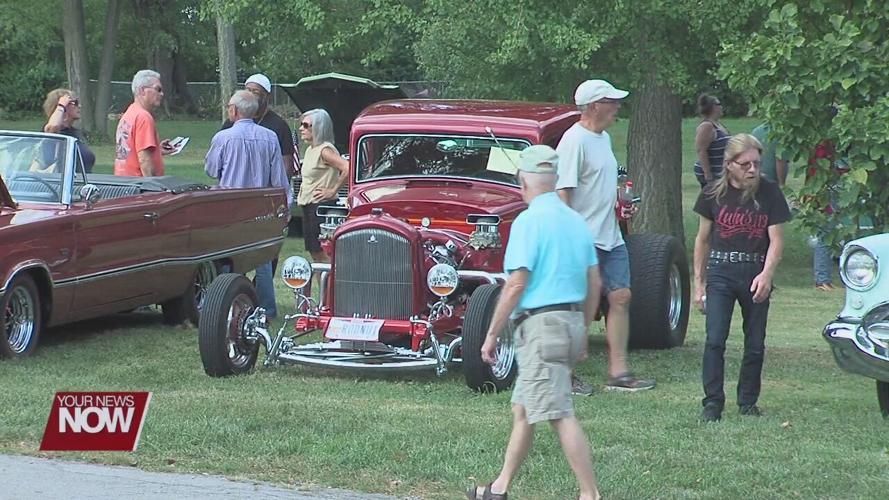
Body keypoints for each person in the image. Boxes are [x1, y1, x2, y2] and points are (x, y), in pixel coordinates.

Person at [468, 145, 602, 500]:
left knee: (559, 412)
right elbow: (595, 282)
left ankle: (590, 494)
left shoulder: (528, 221)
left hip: (541, 327)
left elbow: (515, 285)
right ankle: (499, 488)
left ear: (523, 182)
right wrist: (584, 329)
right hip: (571, 320)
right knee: (523, 409)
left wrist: (492, 334)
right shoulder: (576, 221)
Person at [556, 79, 655, 394]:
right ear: (594, 105)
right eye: (612, 102)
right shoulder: (574, 141)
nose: (617, 108)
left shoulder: (603, 138)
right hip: (584, 239)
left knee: (621, 297)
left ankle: (618, 372)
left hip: (611, 236)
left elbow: (601, 184)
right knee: (580, 305)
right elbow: (563, 192)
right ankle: (566, 374)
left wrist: (620, 204)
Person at [692, 133, 791, 422]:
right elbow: (702, 240)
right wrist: (699, 283)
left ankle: (747, 401)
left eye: (757, 163)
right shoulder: (713, 193)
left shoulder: (770, 192)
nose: (752, 170)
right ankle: (712, 403)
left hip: (755, 271)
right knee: (714, 339)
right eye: (745, 164)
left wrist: (767, 274)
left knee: (755, 342)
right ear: (729, 164)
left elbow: (776, 239)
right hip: (721, 271)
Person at [205, 90, 292, 319]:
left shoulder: (223, 138)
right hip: (260, 208)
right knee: (262, 261)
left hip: (230, 207)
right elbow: (278, 178)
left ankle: (227, 305)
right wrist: (285, 205)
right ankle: (266, 309)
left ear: (234, 110)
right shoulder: (269, 137)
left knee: (227, 259)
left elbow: (211, 169)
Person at [296, 108, 349, 264]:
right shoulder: (310, 150)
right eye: (301, 124)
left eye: (306, 125)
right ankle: (323, 288)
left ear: (318, 127)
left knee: (323, 253)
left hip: (320, 207)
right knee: (314, 253)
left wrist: (333, 190)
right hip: (308, 205)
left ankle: (330, 287)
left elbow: (347, 167)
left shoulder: (325, 150)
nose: (301, 129)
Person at [221, 73, 296, 180]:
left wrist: (279, 189)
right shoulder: (231, 123)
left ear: (267, 96)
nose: (250, 95)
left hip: (264, 187)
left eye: (255, 92)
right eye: (247, 90)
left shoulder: (279, 126)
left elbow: (286, 163)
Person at [114, 69, 175, 177]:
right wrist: (153, 187)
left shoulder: (129, 114)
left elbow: (130, 152)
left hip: (123, 184)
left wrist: (156, 150)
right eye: (158, 89)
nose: (162, 94)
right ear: (142, 90)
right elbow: (144, 160)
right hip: (139, 186)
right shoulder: (144, 117)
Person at [42, 88, 95, 173]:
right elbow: (53, 126)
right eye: (75, 103)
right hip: (60, 184)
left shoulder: (76, 133)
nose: (79, 106)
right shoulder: (54, 132)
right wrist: (61, 106)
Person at [693, 94, 730, 188]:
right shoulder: (707, 126)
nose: (722, 107)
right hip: (711, 173)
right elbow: (701, 150)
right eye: (719, 104)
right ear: (713, 107)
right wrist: (708, 176)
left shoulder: (718, 124)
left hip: (720, 172)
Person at [751, 122, 788, 188]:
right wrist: (782, 184)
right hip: (771, 181)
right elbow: (780, 160)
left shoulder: (755, 132)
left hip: (756, 177)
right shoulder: (780, 134)